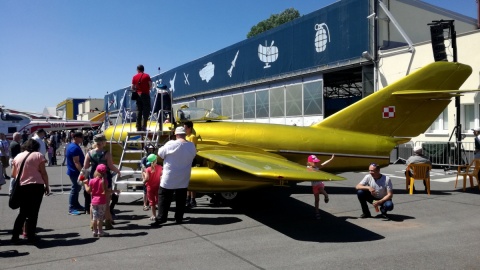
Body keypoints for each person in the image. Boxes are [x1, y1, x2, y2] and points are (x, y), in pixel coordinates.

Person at [152, 127, 196, 226]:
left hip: (170, 176)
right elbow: (193, 156)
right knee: (181, 199)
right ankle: (179, 217)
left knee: (164, 197)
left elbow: (160, 153)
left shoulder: (171, 144)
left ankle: (162, 218)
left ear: (176, 134)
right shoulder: (191, 146)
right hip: (183, 176)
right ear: (185, 134)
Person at [10, 139, 49, 244]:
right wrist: (47, 186)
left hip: (22, 186)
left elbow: (13, 174)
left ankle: (15, 236)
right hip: (36, 186)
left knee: (22, 212)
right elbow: (43, 172)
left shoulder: (18, 156)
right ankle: (31, 235)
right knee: (33, 212)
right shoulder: (38, 155)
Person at [82, 134, 121, 230]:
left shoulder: (89, 153)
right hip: (105, 177)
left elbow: (85, 166)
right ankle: (107, 221)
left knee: (93, 201)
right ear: (103, 142)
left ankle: (92, 223)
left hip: (93, 177)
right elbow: (111, 166)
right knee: (106, 201)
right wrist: (118, 171)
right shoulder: (107, 153)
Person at [83, 164, 109, 237]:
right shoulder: (105, 181)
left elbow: (88, 190)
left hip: (94, 201)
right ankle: (100, 231)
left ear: (96, 171)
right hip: (102, 201)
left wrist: (85, 184)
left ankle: (95, 231)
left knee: (95, 217)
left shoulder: (92, 181)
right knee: (100, 218)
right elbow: (106, 191)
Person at [307, 154, 334, 220]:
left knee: (321, 190)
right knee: (317, 200)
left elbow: (323, 164)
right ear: (310, 162)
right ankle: (317, 212)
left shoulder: (317, 168)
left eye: (317, 162)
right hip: (314, 186)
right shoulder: (308, 169)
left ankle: (326, 196)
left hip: (320, 183)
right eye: (315, 162)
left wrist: (330, 159)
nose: (316, 163)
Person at [66, 131, 85, 215]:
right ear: (76, 138)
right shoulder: (74, 148)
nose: (82, 139)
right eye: (81, 137)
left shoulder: (74, 146)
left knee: (77, 189)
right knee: (75, 189)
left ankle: (76, 204)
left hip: (74, 171)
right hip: (75, 172)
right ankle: (71, 207)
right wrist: (82, 171)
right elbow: (76, 162)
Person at [131, 64, 152, 131]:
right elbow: (150, 85)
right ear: (143, 69)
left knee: (139, 111)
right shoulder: (147, 76)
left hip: (138, 95)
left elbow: (132, 87)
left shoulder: (134, 77)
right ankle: (144, 126)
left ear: (137, 70)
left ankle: (138, 127)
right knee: (146, 110)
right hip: (145, 94)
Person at [143, 154, 162, 221]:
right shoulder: (160, 167)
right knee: (158, 201)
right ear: (156, 160)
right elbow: (162, 175)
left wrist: (143, 181)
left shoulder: (148, 169)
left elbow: (147, 178)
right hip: (158, 186)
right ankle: (160, 214)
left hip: (150, 187)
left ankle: (154, 215)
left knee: (152, 202)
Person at [184, 121, 199, 208]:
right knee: (187, 181)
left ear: (190, 128)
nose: (185, 130)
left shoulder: (192, 137)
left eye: (186, 128)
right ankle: (188, 198)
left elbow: (192, 148)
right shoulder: (186, 137)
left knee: (191, 180)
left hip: (191, 159)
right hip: (186, 160)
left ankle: (193, 199)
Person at [140, 144, 156, 211]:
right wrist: (144, 176)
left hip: (153, 176)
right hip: (146, 176)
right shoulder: (144, 158)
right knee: (145, 191)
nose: (150, 151)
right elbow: (142, 167)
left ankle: (152, 203)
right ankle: (145, 204)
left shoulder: (154, 158)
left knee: (154, 190)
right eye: (149, 149)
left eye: (151, 149)